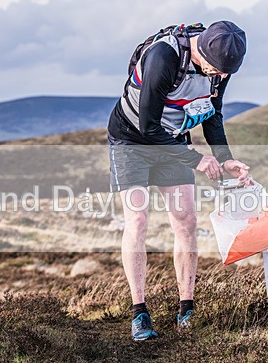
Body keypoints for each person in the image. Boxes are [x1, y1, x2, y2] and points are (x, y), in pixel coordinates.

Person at [107, 20, 251, 341]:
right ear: (202, 50)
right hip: (133, 140)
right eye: (216, 70)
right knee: (138, 220)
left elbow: (212, 112)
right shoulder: (165, 57)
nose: (222, 78)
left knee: (186, 220)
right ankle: (139, 313)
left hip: (172, 138)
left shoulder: (220, 68)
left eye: (227, 73)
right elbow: (148, 126)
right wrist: (198, 159)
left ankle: (187, 307)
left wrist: (225, 159)